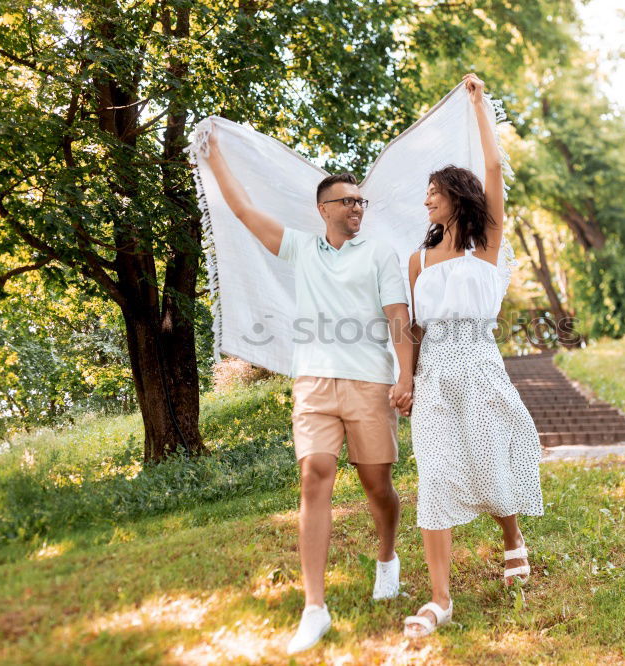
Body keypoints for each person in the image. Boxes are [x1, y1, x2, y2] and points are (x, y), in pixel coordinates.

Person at [204, 131, 415, 655]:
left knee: (376, 487)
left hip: (369, 380)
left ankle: (386, 557)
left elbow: (398, 317)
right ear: (324, 210)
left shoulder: (380, 253)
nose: (357, 208)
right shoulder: (302, 247)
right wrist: (215, 160)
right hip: (314, 382)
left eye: (361, 201)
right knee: (314, 475)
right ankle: (314, 607)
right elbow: (245, 212)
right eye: (348, 201)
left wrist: (404, 375)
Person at [401, 73, 544, 639]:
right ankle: (440, 598)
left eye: (434, 190)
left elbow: (494, 171)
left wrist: (480, 105)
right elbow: (410, 328)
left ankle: (512, 538)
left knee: (488, 459)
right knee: (435, 474)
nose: (426, 199)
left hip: (479, 361)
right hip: (435, 368)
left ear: (456, 194)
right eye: (425, 193)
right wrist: (404, 381)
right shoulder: (417, 260)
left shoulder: (485, 242)